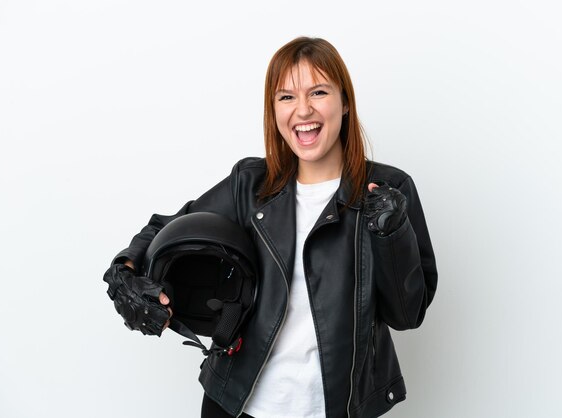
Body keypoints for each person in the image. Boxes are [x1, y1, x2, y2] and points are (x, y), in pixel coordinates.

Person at [103, 37, 437, 418]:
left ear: (345, 103)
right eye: (286, 97)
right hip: (234, 404)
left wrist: (390, 232)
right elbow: (165, 229)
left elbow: (407, 315)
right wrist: (124, 273)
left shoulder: (389, 191)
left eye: (319, 91)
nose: (303, 110)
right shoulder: (250, 185)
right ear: (273, 110)